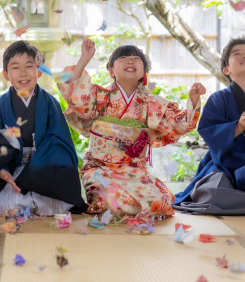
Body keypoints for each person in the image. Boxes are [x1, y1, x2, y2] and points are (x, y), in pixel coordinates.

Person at [58, 38, 205, 218]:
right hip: (99, 169)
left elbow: (180, 124)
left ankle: (127, 207)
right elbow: (75, 95)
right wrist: (85, 58)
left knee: (159, 203)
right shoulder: (99, 96)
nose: (130, 61)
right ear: (111, 71)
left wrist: (194, 99)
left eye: (136, 59)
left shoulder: (152, 103)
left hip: (134, 171)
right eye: (123, 58)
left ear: (143, 72)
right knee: (107, 197)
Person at [0, 40, 86, 215]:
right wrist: (0, 169)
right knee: (12, 205)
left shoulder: (49, 103)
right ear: (6, 74)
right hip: (11, 170)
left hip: (43, 171)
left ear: (38, 72)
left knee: (53, 205)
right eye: (16, 67)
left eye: (29, 66)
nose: (23, 73)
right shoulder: (1, 105)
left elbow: (60, 142)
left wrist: (42, 162)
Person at [174, 37, 245, 214]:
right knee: (213, 192)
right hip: (225, 164)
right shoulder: (219, 98)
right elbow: (208, 131)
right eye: (237, 54)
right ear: (226, 69)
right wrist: (238, 127)